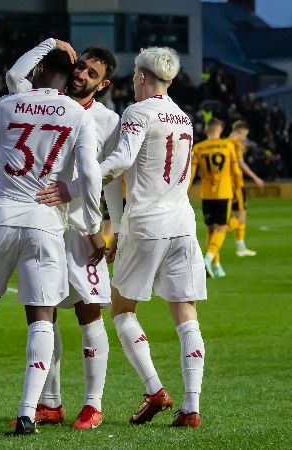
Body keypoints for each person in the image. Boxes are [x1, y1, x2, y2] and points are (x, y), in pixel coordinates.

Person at [0, 49, 104, 436]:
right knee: (42, 316)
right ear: (69, 76)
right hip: (45, 222)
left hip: (3, 213)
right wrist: (89, 222)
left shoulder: (7, 104)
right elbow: (90, 173)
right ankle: (26, 411)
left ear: (37, 70)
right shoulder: (78, 114)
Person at [5, 40, 120, 430]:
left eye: (91, 73)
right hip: (41, 222)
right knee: (43, 314)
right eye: (80, 66)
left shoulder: (106, 121)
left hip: (81, 229)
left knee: (89, 312)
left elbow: (113, 177)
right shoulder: (43, 101)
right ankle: (49, 402)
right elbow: (15, 76)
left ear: (102, 85)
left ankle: (93, 403)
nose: (81, 74)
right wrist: (51, 46)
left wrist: (107, 226)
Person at [99, 47, 207, 428]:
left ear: (141, 77)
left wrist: (83, 179)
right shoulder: (185, 118)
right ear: (171, 80)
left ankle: (155, 389)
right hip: (182, 223)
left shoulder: (137, 112)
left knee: (122, 309)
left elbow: (124, 159)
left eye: (133, 77)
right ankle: (191, 407)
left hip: (146, 224)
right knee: (186, 314)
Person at [190, 118, 241, 278]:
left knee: (211, 228)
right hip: (224, 192)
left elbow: (191, 173)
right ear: (220, 130)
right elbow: (236, 171)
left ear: (206, 130)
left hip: (207, 194)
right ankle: (208, 259)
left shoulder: (198, 148)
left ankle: (216, 266)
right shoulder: (228, 146)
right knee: (222, 228)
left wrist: (184, 190)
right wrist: (238, 189)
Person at [227, 120, 262, 256]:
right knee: (241, 216)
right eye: (245, 135)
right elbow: (241, 164)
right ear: (240, 132)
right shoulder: (236, 144)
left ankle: (241, 247)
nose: (245, 138)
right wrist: (255, 177)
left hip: (226, 184)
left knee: (238, 214)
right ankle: (222, 229)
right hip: (236, 184)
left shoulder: (223, 143)